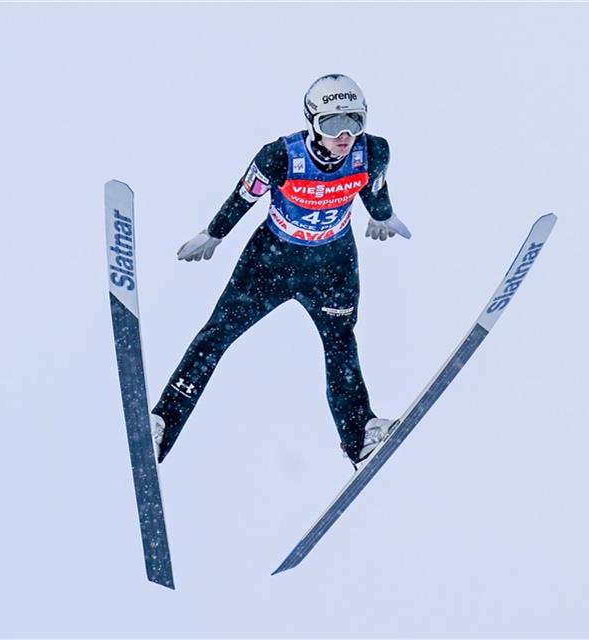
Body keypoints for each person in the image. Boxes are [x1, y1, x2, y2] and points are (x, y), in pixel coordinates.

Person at [150, 74, 412, 471]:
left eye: (355, 123)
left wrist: (384, 216)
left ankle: (360, 437)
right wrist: (214, 233)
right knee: (216, 335)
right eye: (331, 124)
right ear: (312, 122)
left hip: (333, 266)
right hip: (271, 262)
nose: (344, 135)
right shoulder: (280, 156)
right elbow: (244, 195)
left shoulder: (372, 152)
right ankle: (162, 424)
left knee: (340, 342)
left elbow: (374, 189)